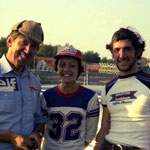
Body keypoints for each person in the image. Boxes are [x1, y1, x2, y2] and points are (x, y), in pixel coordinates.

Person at [94, 27, 150, 150]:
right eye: (116, 50)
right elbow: (104, 127)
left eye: (127, 49)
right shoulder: (108, 88)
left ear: (138, 51)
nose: (121, 55)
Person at [40, 46, 100, 150]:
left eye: (72, 66)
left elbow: (90, 133)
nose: (66, 69)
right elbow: (40, 127)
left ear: (79, 69)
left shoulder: (90, 97)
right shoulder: (47, 96)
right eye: (62, 65)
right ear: (57, 68)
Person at [0, 20, 45, 150]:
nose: (28, 50)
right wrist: (10, 137)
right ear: (9, 41)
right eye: (24, 43)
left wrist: (37, 133)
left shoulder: (34, 82)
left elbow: (39, 119)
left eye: (34, 46)